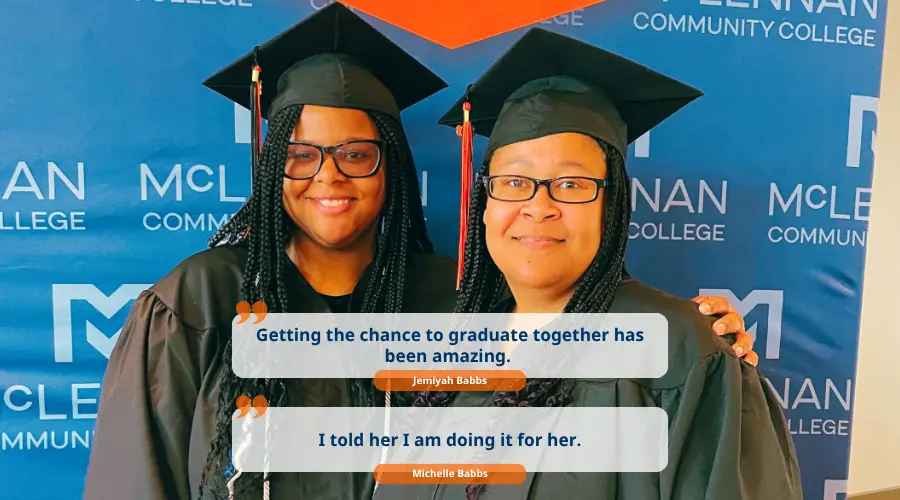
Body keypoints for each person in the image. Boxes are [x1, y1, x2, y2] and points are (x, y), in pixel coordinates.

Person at [84, 6, 757, 500]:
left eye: (356, 154)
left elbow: (569, 298)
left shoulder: (454, 303)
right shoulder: (200, 303)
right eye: (299, 156)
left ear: (394, 170)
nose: (329, 177)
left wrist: (704, 338)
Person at [395, 28, 803, 500]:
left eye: (571, 184)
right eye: (513, 181)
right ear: (484, 204)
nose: (538, 206)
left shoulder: (677, 350)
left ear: (612, 208)